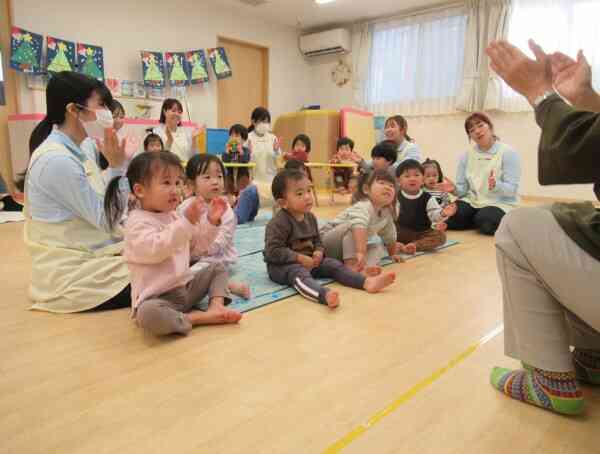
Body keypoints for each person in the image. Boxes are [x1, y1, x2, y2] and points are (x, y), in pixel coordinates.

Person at [486, 38, 600, 415]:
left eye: (478, 127)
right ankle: (593, 356)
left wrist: (539, 93)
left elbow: (575, 152)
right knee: (571, 219)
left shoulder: (506, 154)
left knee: (515, 226)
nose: (475, 132)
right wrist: (586, 99)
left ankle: (549, 380)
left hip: (496, 201)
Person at [19, 71, 130, 313]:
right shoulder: (56, 159)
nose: (107, 113)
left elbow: (103, 200)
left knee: (172, 254)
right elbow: (106, 220)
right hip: (72, 269)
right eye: (101, 105)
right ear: (73, 109)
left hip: (96, 250)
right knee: (165, 272)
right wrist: (118, 167)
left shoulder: (85, 145)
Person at [104, 151, 242, 336]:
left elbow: (198, 249)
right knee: (147, 315)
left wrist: (211, 223)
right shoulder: (137, 223)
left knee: (217, 267)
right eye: (166, 183)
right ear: (140, 190)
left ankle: (215, 306)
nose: (175, 189)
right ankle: (195, 319)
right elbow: (157, 249)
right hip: (160, 298)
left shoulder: (174, 215)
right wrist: (186, 223)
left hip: (184, 289)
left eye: (178, 183)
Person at [264, 169, 396, 308]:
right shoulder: (278, 223)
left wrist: (318, 251)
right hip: (284, 266)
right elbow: (273, 251)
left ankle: (366, 282)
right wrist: (299, 258)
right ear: (283, 203)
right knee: (299, 274)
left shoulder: (310, 217)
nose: (308, 197)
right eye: (299, 194)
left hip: (310, 260)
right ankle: (323, 295)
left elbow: (317, 240)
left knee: (333, 264)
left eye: (309, 191)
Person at [181, 154, 251, 299]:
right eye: (207, 177)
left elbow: (219, 244)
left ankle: (229, 285)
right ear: (191, 185)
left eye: (219, 176)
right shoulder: (186, 207)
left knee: (192, 274)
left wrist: (196, 254)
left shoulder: (225, 210)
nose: (215, 182)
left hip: (217, 259)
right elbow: (180, 234)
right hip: (191, 257)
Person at [446, 112, 521, 236]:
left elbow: (511, 190)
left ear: (490, 127)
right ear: (470, 136)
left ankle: (478, 218)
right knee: (452, 216)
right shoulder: (466, 156)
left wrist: (497, 186)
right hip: (473, 201)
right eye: (472, 130)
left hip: (500, 203)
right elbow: (463, 191)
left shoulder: (508, 153)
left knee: (486, 221)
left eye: (480, 125)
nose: (477, 131)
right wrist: (453, 189)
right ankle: (474, 218)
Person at [320, 169, 403, 274]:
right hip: (328, 244)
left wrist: (392, 254)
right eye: (381, 183)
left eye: (391, 186)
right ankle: (351, 266)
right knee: (353, 227)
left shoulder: (387, 213)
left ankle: (366, 267)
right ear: (366, 189)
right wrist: (360, 252)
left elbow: (390, 235)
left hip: (348, 250)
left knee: (377, 247)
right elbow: (358, 227)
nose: (387, 187)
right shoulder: (363, 206)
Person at [395, 159, 456, 254]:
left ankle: (414, 246)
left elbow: (434, 215)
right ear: (399, 181)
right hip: (401, 232)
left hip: (422, 233)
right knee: (386, 233)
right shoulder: (396, 197)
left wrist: (443, 213)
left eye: (416, 175)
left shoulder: (428, 198)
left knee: (441, 236)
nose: (412, 179)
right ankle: (396, 244)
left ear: (423, 179)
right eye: (407, 176)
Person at [247, 106, 282, 209]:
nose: (265, 124)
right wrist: (248, 153)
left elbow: (278, 159)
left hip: (271, 178)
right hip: (254, 179)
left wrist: (276, 151)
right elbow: (245, 160)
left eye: (267, 122)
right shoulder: (248, 137)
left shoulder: (273, 138)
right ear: (253, 121)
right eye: (262, 121)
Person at [221, 124, 251, 194]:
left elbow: (246, 159)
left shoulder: (245, 150)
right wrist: (227, 151)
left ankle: (241, 195)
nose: (233, 138)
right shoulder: (229, 150)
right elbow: (224, 160)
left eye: (237, 136)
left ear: (243, 140)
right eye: (231, 136)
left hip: (242, 174)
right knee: (227, 182)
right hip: (230, 173)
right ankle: (229, 195)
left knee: (243, 182)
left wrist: (241, 151)